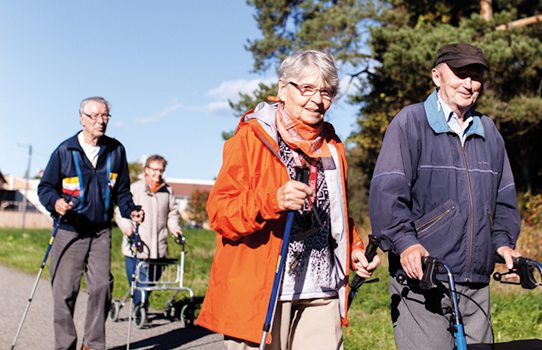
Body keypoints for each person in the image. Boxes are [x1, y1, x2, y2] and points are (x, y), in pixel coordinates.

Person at [196, 49, 380, 350]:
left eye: (326, 91)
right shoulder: (252, 138)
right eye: (307, 88)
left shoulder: (333, 146)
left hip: (321, 291)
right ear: (283, 89)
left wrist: (354, 249)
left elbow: (336, 213)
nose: (317, 99)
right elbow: (219, 213)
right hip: (263, 293)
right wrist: (274, 200)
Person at [369, 43, 522, 349]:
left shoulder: (489, 132)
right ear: (437, 76)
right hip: (423, 279)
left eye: (475, 76)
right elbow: (388, 192)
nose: (468, 84)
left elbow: (504, 199)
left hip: (476, 283)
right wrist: (406, 244)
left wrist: (504, 244)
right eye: (460, 74)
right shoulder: (410, 122)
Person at [38, 96, 144, 350]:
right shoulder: (65, 150)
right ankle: (65, 346)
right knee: (64, 292)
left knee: (101, 288)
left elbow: (122, 192)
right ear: (82, 119)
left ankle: (93, 345)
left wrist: (131, 210)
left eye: (105, 115)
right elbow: (45, 188)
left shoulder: (116, 150)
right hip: (69, 230)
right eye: (95, 116)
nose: (102, 121)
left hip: (100, 231)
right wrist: (56, 202)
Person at [115, 154, 182, 312]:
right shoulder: (135, 189)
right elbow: (120, 213)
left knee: (152, 281)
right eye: (155, 170)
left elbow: (172, 214)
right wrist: (128, 228)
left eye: (161, 170)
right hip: (137, 245)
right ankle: (140, 308)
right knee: (141, 280)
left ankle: (142, 303)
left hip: (159, 247)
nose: (158, 173)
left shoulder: (167, 191)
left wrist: (174, 228)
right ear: (146, 170)